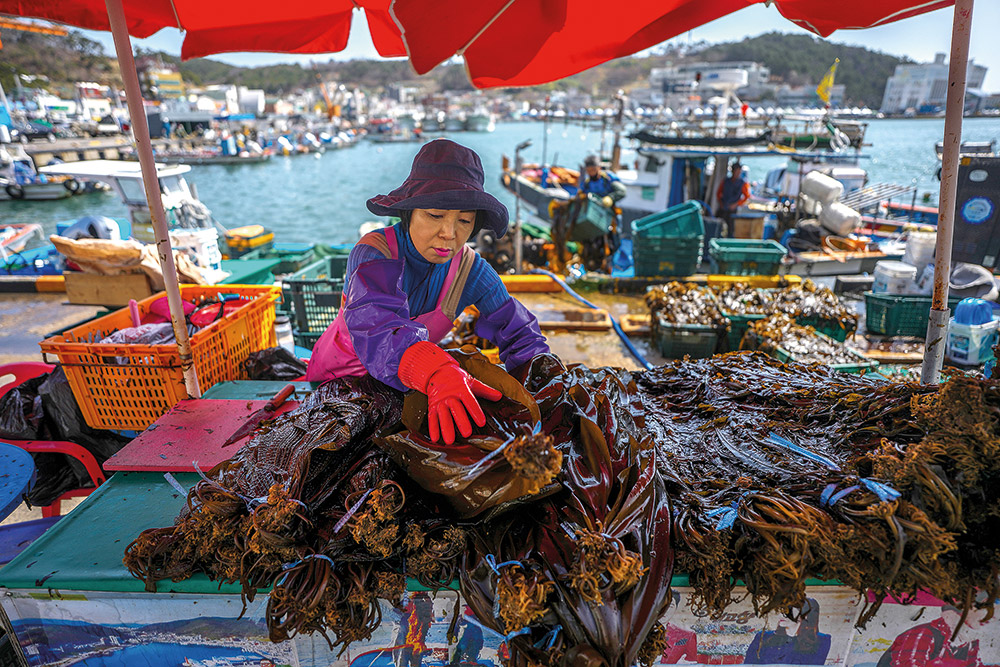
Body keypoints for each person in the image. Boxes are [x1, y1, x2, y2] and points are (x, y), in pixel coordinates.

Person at [306, 139, 550, 444]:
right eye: (435, 215)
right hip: (337, 383)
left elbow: (517, 331)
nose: (449, 233)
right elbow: (379, 328)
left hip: (407, 386)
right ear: (408, 213)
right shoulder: (374, 253)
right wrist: (435, 371)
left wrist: (544, 380)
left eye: (464, 221)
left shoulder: (470, 270)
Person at [877, 601, 990, 667]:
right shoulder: (923, 635)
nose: (976, 624)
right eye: (969, 619)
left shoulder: (968, 642)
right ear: (948, 617)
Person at [744, 598, 831, 665]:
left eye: (789, 611)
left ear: (805, 615)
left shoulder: (821, 640)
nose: (782, 615)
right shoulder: (763, 637)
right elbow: (748, 664)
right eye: (781, 610)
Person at [715, 160, 751, 238]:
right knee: (718, 226)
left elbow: (747, 196)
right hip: (723, 208)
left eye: (739, 171)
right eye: (737, 171)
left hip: (733, 210)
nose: (738, 173)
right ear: (733, 171)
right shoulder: (725, 181)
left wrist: (736, 204)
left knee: (731, 229)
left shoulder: (743, 183)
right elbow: (718, 193)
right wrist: (721, 203)